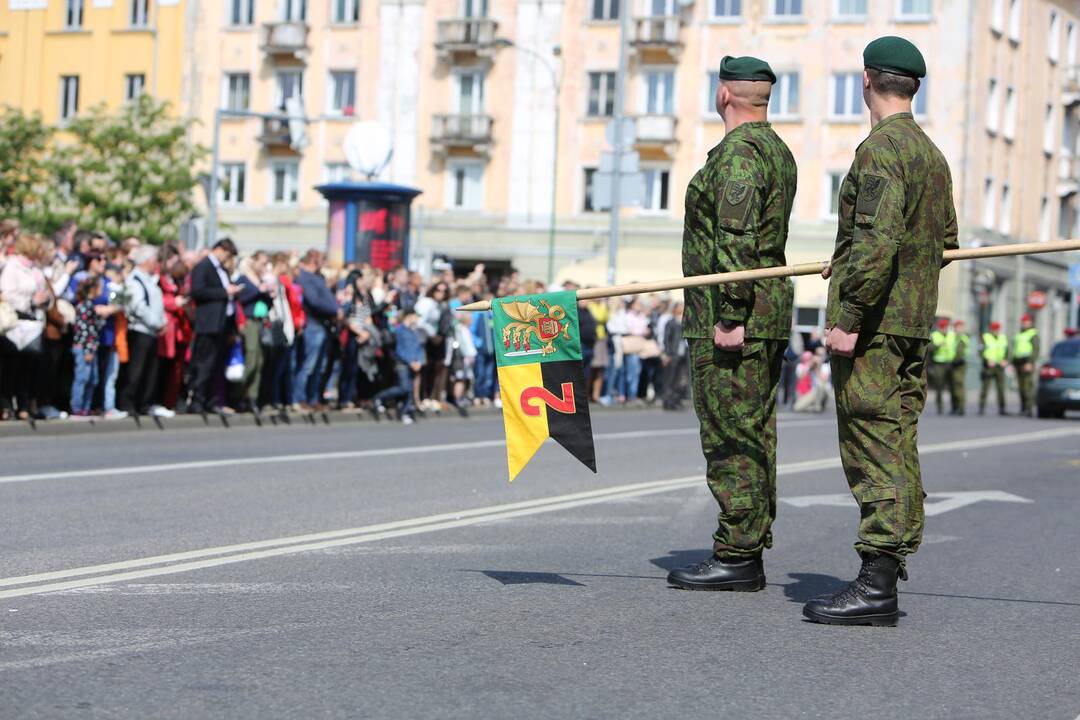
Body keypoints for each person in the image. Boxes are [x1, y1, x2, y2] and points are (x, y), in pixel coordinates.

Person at [805, 37, 958, 627]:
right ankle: (886, 571)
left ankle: (876, 583)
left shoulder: (880, 151)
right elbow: (945, 244)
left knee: (872, 443)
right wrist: (844, 263)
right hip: (913, 323)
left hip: (877, 326)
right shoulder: (932, 156)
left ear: (867, 80)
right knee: (897, 440)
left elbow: (876, 241)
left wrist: (848, 316)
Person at [666, 56, 796, 592]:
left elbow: (737, 241)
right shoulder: (776, 151)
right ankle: (746, 542)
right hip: (764, 314)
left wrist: (730, 315)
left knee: (730, 433)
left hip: (733, 318)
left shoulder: (740, 155)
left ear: (725, 96)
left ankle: (738, 553)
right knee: (753, 430)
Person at [189, 237, 241, 414]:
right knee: (204, 363)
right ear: (218, 249)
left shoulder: (222, 271)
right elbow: (197, 291)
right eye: (226, 254)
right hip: (208, 323)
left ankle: (211, 401)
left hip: (221, 323)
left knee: (215, 364)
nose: (226, 259)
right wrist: (224, 292)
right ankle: (197, 400)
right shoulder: (203, 267)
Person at [122, 244, 171, 417]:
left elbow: (157, 303)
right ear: (147, 261)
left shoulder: (150, 279)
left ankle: (145, 403)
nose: (156, 263)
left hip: (151, 331)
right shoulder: (134, 280)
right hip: (140, 330)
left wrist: (162, 321)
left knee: (150, 370)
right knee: (137, 370)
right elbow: (138, 306)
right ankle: (129, 403)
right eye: (155, 260)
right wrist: (157, 322)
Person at [292, 249, 339, 410]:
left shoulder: (318, 277)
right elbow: (314, 301)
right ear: (313, 259)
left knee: (320, 366)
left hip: (322, 325)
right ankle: (300, 398)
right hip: (312, 325)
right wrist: (333, 310)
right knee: (308, 365)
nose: (323, 263)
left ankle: (313, 398)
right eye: (321, 259)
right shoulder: (305, 278)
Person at [236, 250, 273, 414]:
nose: (264, 267)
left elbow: (266, 303)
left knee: (259, 361)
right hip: (248, 320)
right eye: (262, 263)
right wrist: (259, 290)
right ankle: (237, 394)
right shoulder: (243, 279)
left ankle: (252, 397)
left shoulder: (261, 280)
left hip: (261, 320)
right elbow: (241, 299)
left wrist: (268, 294)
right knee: (251, 357)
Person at [373, 308, 425, 424]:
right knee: (404, 387)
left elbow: (419, 348)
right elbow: (400, 350)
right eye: (415, 316)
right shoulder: (400, 330)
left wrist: (419, 361)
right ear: (409, 316)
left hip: (414, 364)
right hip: (402, 363)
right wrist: (410, 361)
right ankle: (379, 397)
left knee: (410, 390)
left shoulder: (415, 331)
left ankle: (404, 413)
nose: (416, 319)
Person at [69, 276, 105, 418]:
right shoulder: (85, 306)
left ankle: (86, 407)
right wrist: (88, 350)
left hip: (91, 347)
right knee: (82, 378)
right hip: (84, 348)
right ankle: (77, 407)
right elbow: (85, 330)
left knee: (92, 379)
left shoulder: (90, 305)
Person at [660, 301, 688, 410]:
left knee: (680, 378)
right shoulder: (670, 322)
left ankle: (676, 399)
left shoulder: (684, 321)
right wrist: (667, 354)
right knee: (670, 379)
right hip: (673, 354)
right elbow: (666, 339)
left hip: (683, 353)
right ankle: (668, 400)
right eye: (680, 307)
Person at [1012, 313, 1039, 416]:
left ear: (1030, 323)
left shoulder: (1033, 334)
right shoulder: (1019, 334)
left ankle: (1029, 408)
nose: (1024, 324)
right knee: (1021, 387)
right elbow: (1015, 349)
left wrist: (1030, 362)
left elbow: (1035, 350)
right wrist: (1013, 361)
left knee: (1028, 387)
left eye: (1026, 322)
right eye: (1023, 322)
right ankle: (1023, 408)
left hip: (1027, 362)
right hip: (1018, 362)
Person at [979, 320, 1008, 416]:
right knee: (985, 388)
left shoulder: (1003, 338)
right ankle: (981, 407)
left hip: (999, 367)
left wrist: (1005, 360)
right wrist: (986, 360)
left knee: (1001, 388)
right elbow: (980, 351)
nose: (996, 331)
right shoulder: (986, 337)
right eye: (994, 329)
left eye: (997, 329)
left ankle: (1002, 408)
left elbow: (1007, 351)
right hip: (989, 367)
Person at [928, 317, 955, 415]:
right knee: (939, 386)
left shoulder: (952, 335)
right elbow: (929, 348)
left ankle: (954, 407)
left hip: (950, 363)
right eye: (942, 327)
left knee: (952, 386)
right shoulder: (935, 335)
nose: (944, 329)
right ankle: (940, 407)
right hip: (938, 364)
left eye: (946, 327)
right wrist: (938, 345)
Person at [951, 319, 970, 415]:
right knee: (953, 386)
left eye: (959, 327)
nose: (957, 329)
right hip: (952, 364)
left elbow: (960, 353)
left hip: (959, 364)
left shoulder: (962, 338)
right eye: (956, 327)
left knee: (958, 386)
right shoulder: (954, 337)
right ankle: (955, 407)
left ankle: (960, 407)